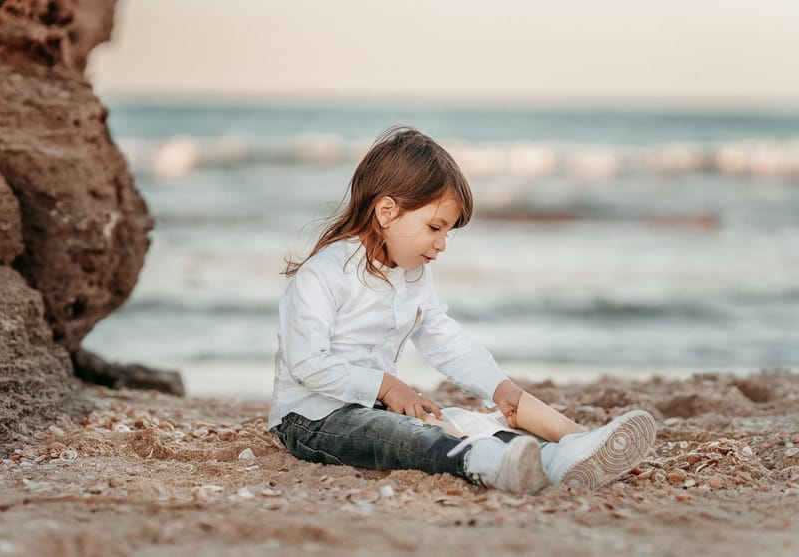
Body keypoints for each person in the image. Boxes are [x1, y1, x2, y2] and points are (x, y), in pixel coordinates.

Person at [269, 126, 655, 494]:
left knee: (458, 420)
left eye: (447, 232)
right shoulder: (323, 273)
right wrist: (385, 386)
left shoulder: (412, 275)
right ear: (386, 212)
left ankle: (559, 456)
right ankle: (484, 464)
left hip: (373, 407)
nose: (441, 244)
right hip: (310, 419)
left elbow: (444, 339)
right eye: (434, 227)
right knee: (406, 436)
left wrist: (497, 386)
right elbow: (306, 363)